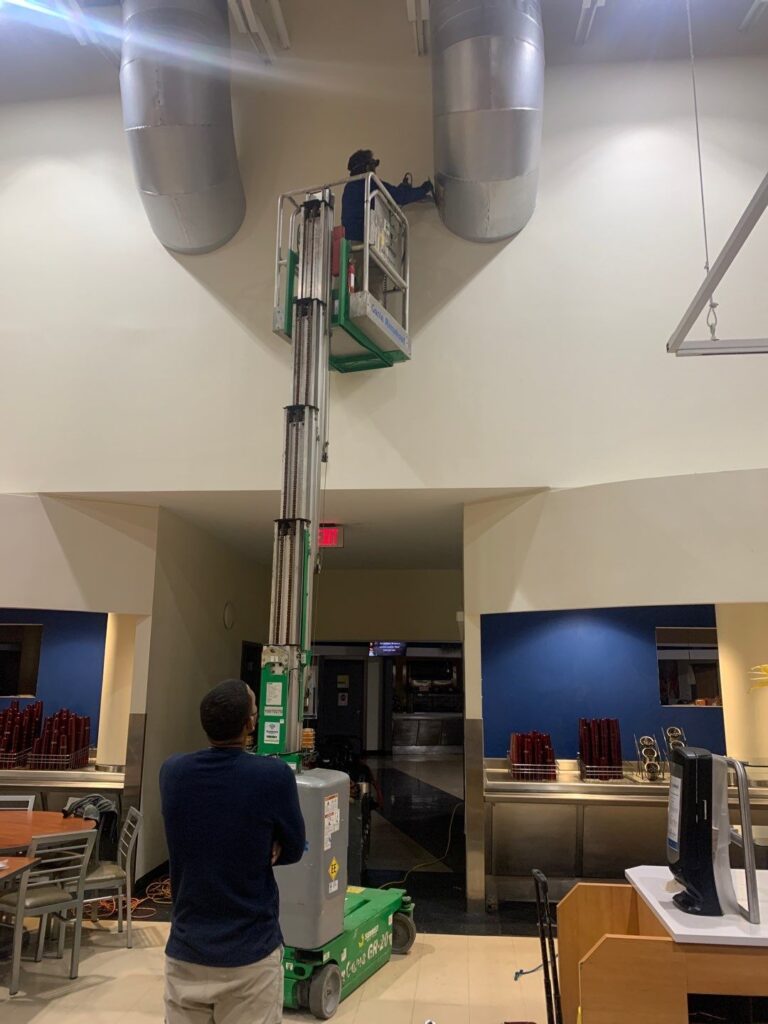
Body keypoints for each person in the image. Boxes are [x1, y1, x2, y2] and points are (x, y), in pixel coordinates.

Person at [160, 679, 306, 1024]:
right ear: (250, 724)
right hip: (250, 956)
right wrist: (268, 846)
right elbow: (295, 848)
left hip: (186, 951)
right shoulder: (272, 776)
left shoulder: (173, 772)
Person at [341, 148, 433, 243]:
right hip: (363, 241)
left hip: (349, 244)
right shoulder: (368, 182)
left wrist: (403, 188)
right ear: (368, 167)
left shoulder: (350, 187)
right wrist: (424, 189)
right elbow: (398, 196)